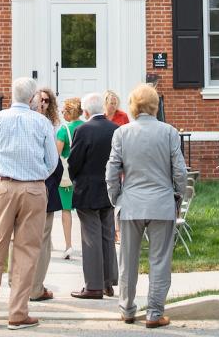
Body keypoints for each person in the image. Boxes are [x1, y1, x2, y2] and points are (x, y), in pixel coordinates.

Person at [0, 77, 57, 330]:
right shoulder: (42, 122)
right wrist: (36, 174)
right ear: (32, 98)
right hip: (33, 187)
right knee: (26, 250)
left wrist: (3, 174)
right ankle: (17, 313)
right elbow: (52, 161)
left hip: (4, 184)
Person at [106, 84, 188, 328]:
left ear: (132, 106)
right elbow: (180, 172)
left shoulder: (121, 133)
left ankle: (127, 309)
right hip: (161, 202)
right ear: (155, 105)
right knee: (160, 260)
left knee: (127, 261)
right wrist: (177, 196)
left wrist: (116, 199)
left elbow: (112, 171)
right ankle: (154, 313)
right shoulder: (169, 132)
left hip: (131, 203)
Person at [68, 92, 120, 300]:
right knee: (107, 235)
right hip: (109, 189)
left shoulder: (83, 130)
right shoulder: (115, 129)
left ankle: (93, 286)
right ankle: (108, 283)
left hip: (88, 190)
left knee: (91, 238)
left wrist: (75, 179)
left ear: (86, 111)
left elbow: (74, 162)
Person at [28, 88, 64, 302]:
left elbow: (55, 161)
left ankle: (35, 285)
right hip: (35, 183)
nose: (42, 103)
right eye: (39, 99)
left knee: (43, 239)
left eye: (46, 100)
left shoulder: (54, 127)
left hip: (46, 185)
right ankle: (29, 287)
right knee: (28, 239)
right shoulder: (28, 122)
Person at [56, 96, 83, 259]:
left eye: (63, 111)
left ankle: (68, 246)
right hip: (83, 175)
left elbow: (56, 154)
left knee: (66, 211)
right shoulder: (86, 127)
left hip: (67, 176)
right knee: (84, 212)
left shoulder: (63, 130)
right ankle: (87, 244)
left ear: (68, 112)